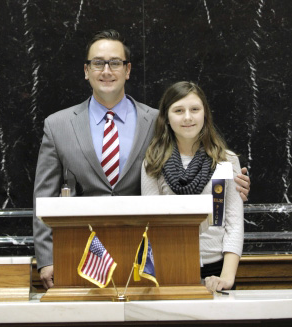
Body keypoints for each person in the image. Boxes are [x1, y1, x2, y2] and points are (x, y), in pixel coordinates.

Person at [33, 30, 250, 290]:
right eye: (97, 63)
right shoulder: (58, 125)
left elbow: (195, 160)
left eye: (115, 62)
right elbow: (43, 197)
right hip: (81, 257)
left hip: (143, 261)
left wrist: (232, 185)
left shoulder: (159, 122)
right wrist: (46, 259)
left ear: (127, 70)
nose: (106, 70)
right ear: (86, 70)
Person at [141, 81, 244, 292]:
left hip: (217, 270)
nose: (188, 117)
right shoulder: (153, 163)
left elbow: (233, 223)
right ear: (167, 118)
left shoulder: (226, 161)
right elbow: (152, 225)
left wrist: (226, 277)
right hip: (170, 269)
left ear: (204, 114)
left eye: (195, 110)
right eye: (178, 110)